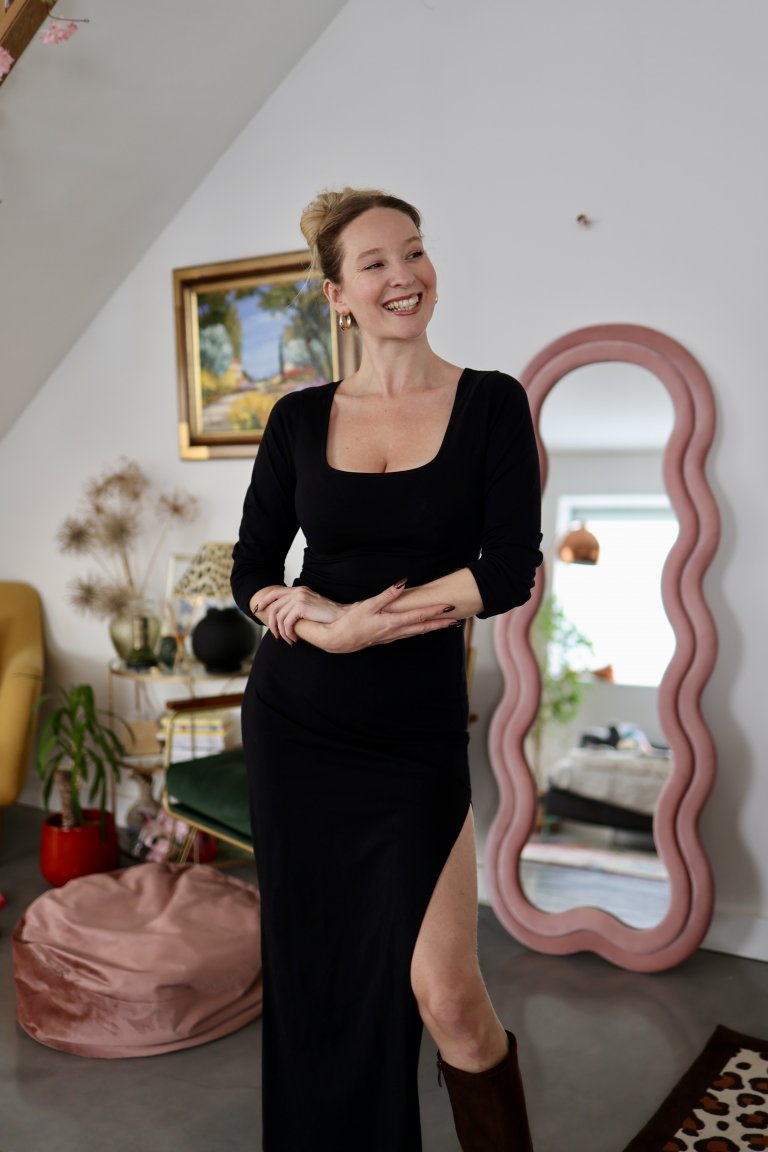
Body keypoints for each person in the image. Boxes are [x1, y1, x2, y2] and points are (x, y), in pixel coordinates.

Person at [231, 186, 542, 1152]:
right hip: (296, 723)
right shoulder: (297, 418)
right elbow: (251, 570)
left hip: (412, 735)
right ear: (338, 295)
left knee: (448, 997)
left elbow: (508, 568)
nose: (404, 275)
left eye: (413, 251)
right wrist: (315, 626)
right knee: (316, 981)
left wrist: (370, 626)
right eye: (375, 263)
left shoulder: (491, 402)